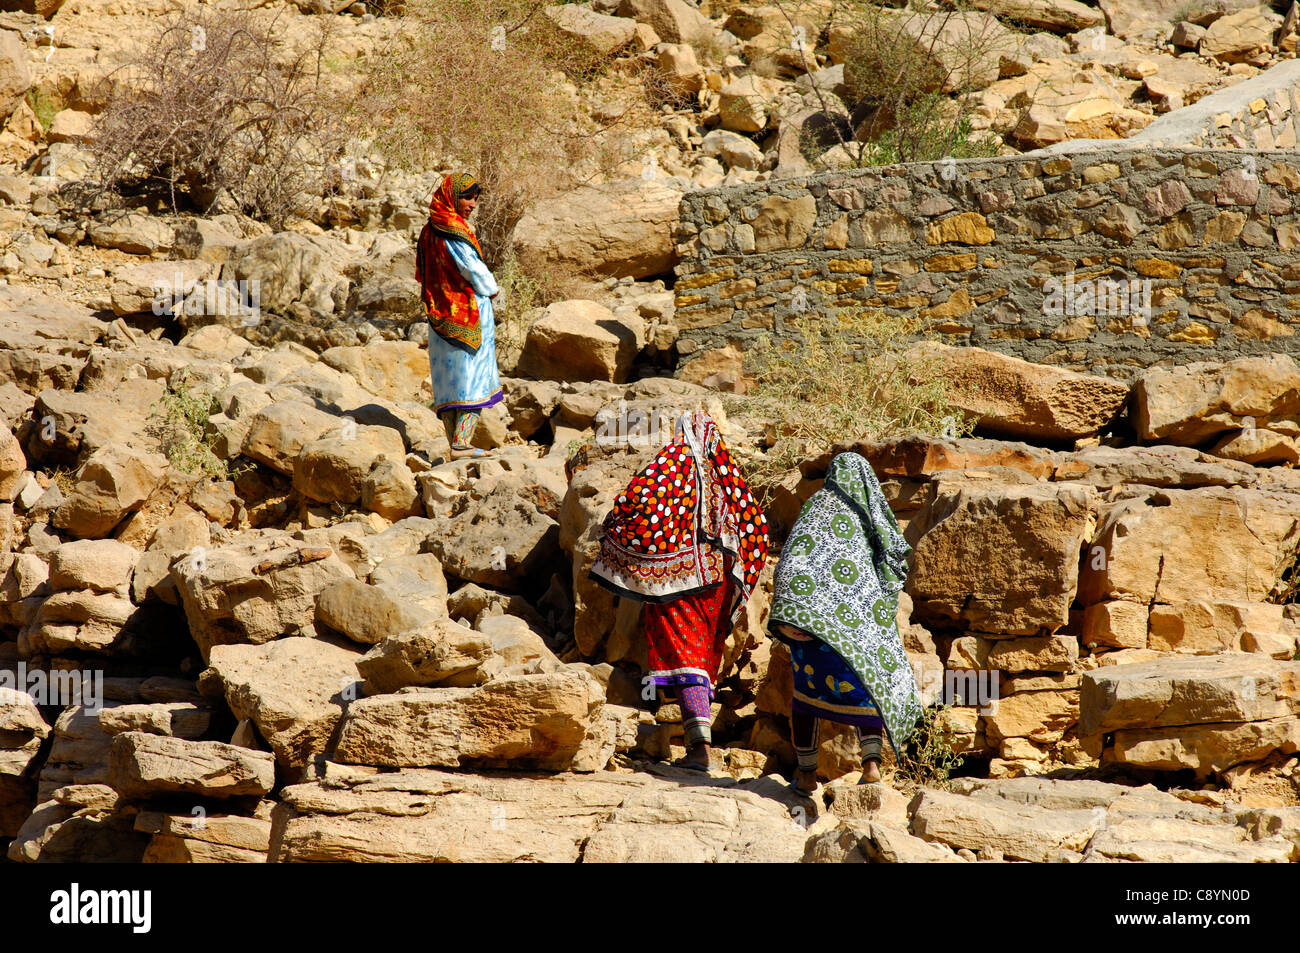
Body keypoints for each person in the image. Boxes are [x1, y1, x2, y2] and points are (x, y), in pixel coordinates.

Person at [590, 411, 769, 772]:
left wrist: (614, 528)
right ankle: (696, 738)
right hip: (718, 582)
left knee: (685, 656)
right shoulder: (726, 472)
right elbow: (757, 526)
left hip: (678, 581)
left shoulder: (674, 462)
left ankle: (699, 747)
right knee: (700, 656)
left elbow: (635, 500)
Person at [768, 451, 922, 793]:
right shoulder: (868, 515)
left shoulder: (817, 504)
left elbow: (796, 553)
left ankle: (806, 775)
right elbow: (889, 564)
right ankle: (871, 766)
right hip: (849, 626)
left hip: (805, 622)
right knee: (867, 687)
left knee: (806, 695)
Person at [415, 171, 502, 460]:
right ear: (452, 197)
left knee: (449, 382)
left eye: (475, 199)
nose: (473, 204)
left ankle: (456, 443)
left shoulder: (429, 229)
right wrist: (492, 288)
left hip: (439, 315)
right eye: (467, 197)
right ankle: (462, 445)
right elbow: (471, 268)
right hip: (468, 313)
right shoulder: (452, 228)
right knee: (472, 379)